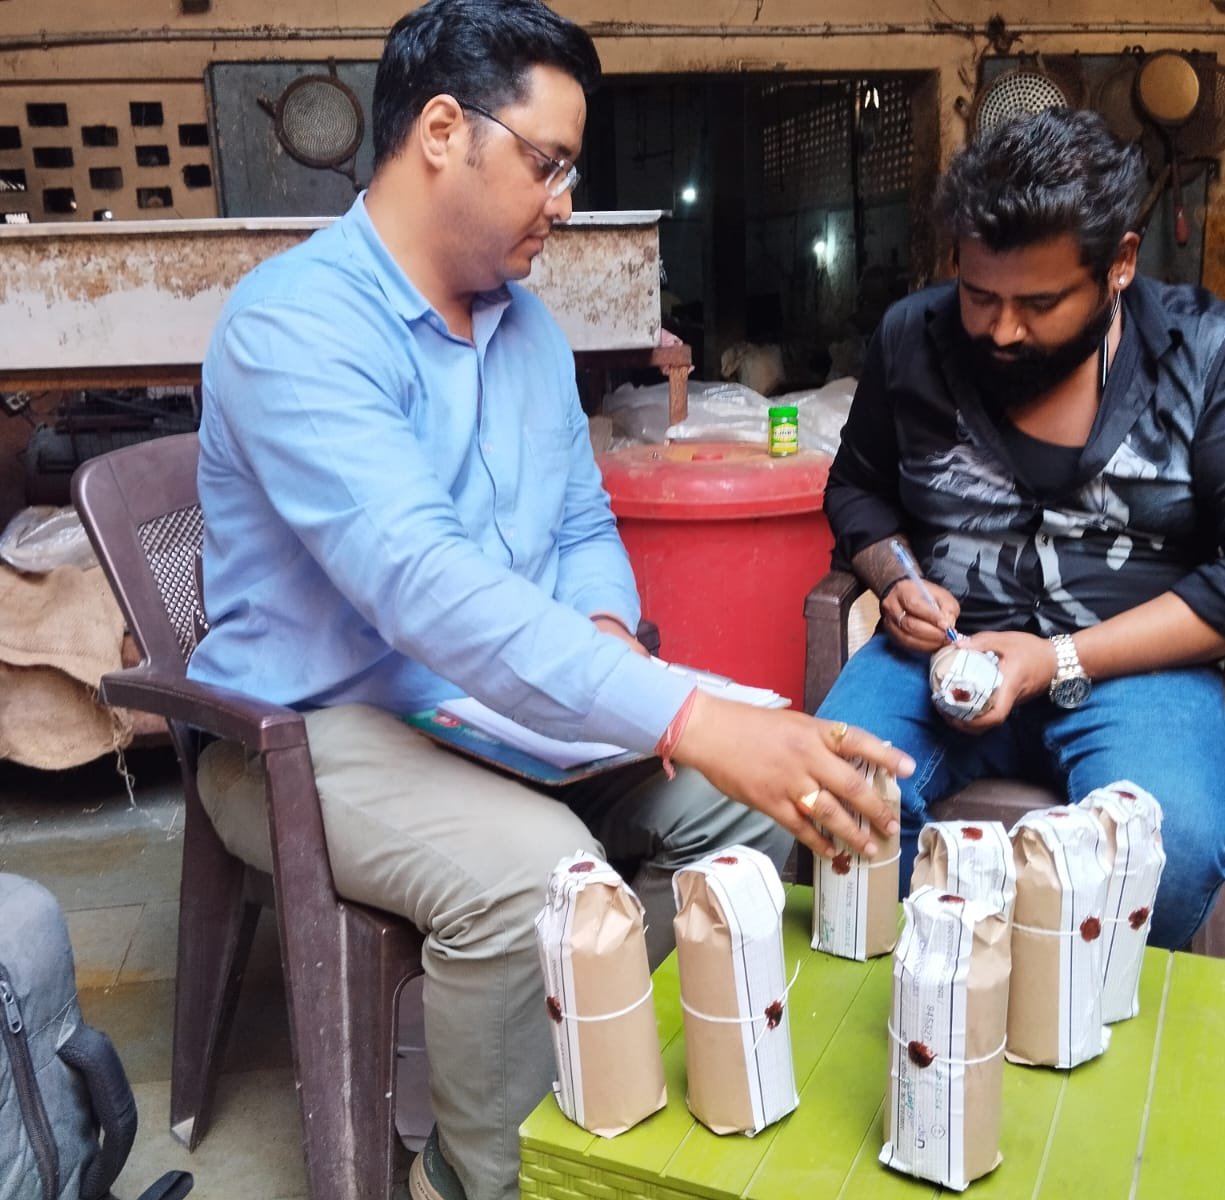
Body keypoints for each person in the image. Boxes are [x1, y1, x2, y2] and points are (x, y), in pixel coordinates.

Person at [186, 3, 909, 1198]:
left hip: (498, 707)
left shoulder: (523, 327)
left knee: (752, 809)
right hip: (318, 728)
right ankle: (485, 1176)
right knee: (538, 877)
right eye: (548, 162)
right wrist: (680, 713)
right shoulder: (294, 327)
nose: (564, 201)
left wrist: (608, 641)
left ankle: (614, 1097)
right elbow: (423, 586)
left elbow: (578, 528)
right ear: (441, 131)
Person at [817, 108, 1225, 952]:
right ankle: (909, 999)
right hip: (943, 656)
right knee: (834, 798)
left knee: (1170, 848)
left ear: (1120, 262)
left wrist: (1057, 659)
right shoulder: (914, 338)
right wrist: (897, 576)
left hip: (1134, 667)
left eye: (1040, 302)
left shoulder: (1215, 355)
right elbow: (859, 489)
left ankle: (1066, 1014)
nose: (1002, 329)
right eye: (980, 295)